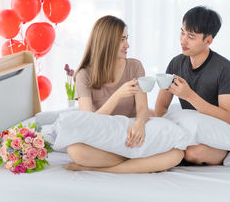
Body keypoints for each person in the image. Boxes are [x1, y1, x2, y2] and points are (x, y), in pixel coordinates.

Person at [65, 15, 185, 173]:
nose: (127, 45)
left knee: (177, 154)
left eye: (126, 38)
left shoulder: (135, 66)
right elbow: (89, 121)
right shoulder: (83, 75)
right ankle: (138, 161)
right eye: (122, 39)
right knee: (75, 150)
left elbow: (143, 107)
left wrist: (139, 124)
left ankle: (102, 169)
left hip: (131, 135)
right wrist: (117, 95)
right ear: (107, 41)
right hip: (104, 135)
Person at [155, 5, 230, 166]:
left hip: (215, 136)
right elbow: (161, 105)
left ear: (208, 40)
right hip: (188, 132)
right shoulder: (176, 63)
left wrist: (189, 96)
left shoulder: (226, 69)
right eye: (182, 32)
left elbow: (228, 117)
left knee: (193, 153)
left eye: (191, 36)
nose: (183, 40)